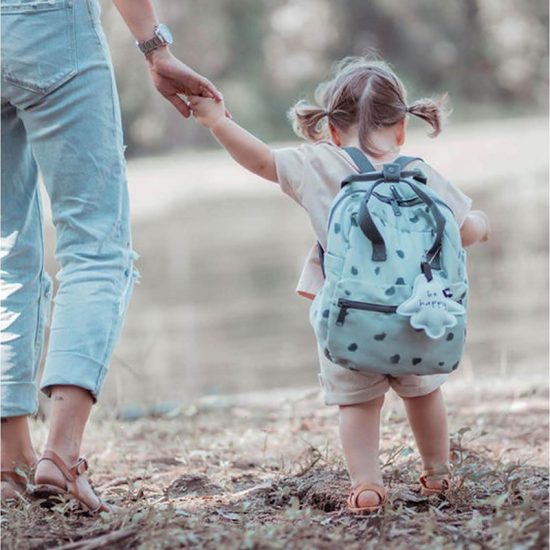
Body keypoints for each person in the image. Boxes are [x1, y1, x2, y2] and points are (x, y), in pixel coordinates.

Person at [188, 57, 489, 512]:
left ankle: (367, 486)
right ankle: (438, 475)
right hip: (419, 317)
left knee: (358, 405)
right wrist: (482, 223)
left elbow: (260, 159)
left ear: (330, 129)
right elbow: (462, 231)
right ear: (403, 128)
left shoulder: (317, 164)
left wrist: (216, 121)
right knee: (425, 393)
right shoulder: (420, 173)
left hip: (351, 320)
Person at [1, 0, 220, 512]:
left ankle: (10, 464)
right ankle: (62, 454)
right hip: (48, 24)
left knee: (7, 250)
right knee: (95, 247)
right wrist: (155, 47)